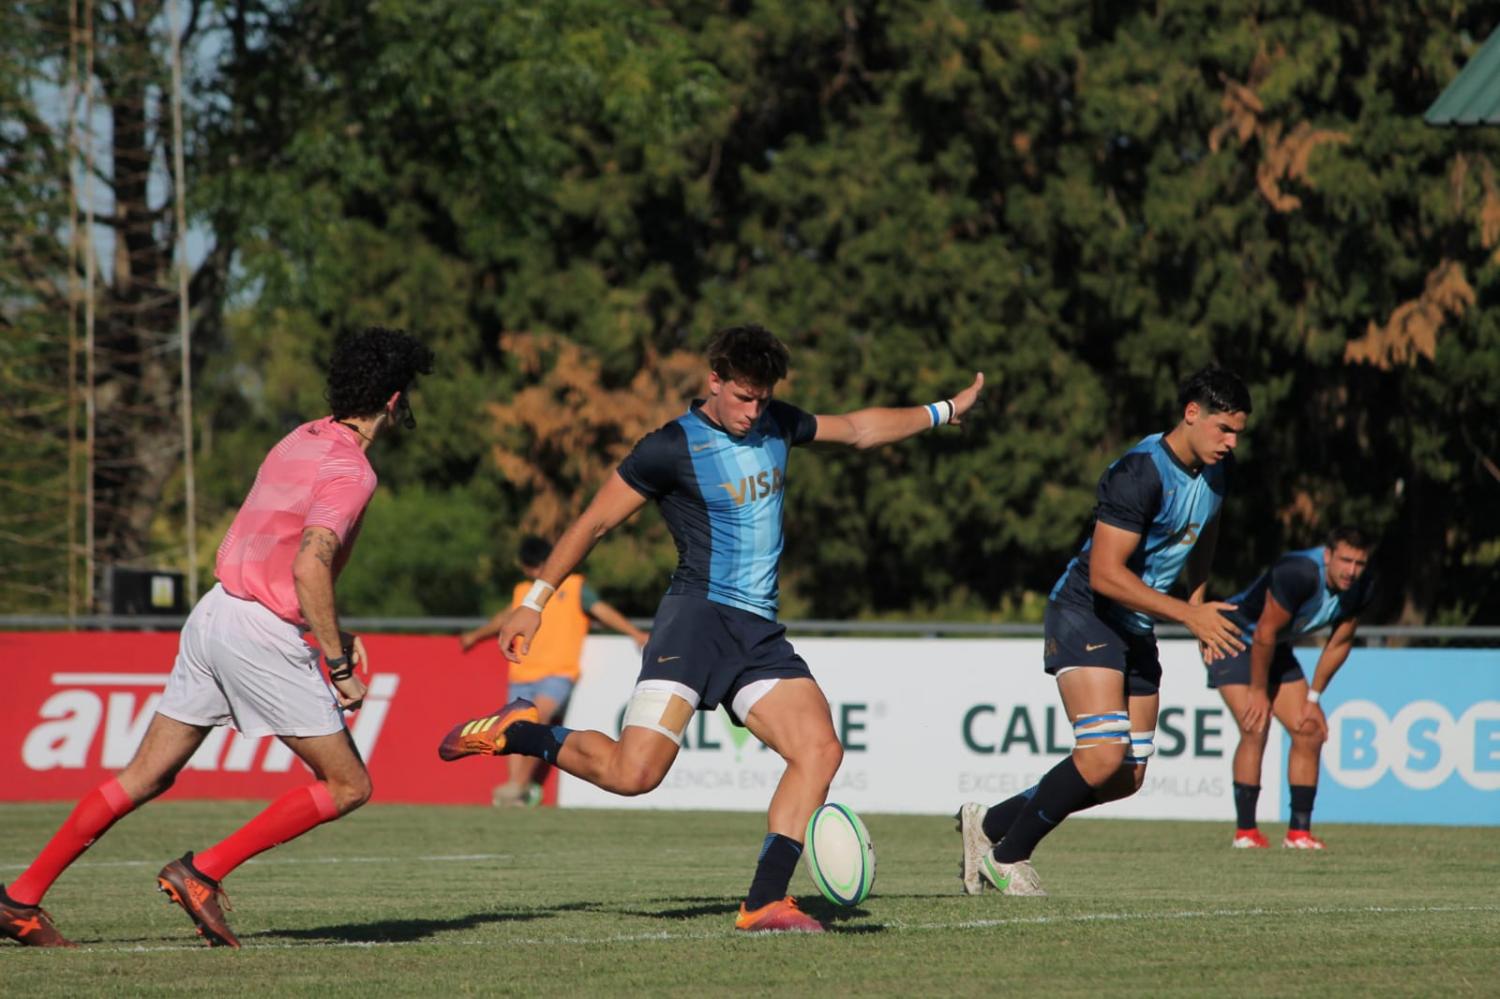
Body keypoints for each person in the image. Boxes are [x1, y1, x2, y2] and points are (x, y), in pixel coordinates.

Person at [438, 323, 983, 933]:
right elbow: (592, 523)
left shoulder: (778, 423)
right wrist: (536, 600)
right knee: (633, 775)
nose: (754, 412)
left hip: (756, 634)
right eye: (743, 397)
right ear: (714, 381)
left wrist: (943, 410)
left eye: (763, 398)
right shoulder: (670, 447)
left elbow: (858, 430)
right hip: (694, 622)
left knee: (820, 749)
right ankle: (522, 734)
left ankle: (764, 902)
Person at [0, 327, 433, 948]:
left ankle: (21, 897)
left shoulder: (298, 438)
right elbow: (310, 563)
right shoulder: (353, 469)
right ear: (394, 398)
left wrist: (331, 626)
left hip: (215, 612)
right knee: (349, 785)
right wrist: (338, 665)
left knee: (145, 775)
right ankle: (202, 872)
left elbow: (275, 544)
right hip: (257, 630)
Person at [956, 365, 1251, 897]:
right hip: (1086, 612)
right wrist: (1187, 616)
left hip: (1137, 624)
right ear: (1191, 414)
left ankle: (992, 824)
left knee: (1125, 777)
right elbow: (1105, 574)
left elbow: (1205, 529)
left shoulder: (1215, 472)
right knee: (1100, 755)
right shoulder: (1140, 473)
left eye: (1237, 433)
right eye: (1223, 430)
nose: (1230, 443)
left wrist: (1199, 597)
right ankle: (1007, 857)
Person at [1208, 526, 1375, 850]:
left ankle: (1299, 834)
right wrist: (1258, 691)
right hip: (1231, 637)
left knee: (1309, 729)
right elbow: (1264, 632)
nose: (1351, 571)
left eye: (1359, 563)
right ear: (1327, 556)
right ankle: (1246, 833)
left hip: (1273, 646)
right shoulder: (1297, 573)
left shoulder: (1362, 586)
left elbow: (1340, 642)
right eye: (1345, 561)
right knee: (1256, 725)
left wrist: (1314, 698)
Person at [460, 535, 649, 807]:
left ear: (525, 565)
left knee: (538, 716)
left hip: (557, 673)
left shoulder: (574, 586)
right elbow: (505, 618)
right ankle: (517, 789)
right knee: (513, 728)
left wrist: (634, 633)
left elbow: (601, 611)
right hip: (522, 671)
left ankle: (517, 787)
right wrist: (476, 635)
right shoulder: (522, 591)